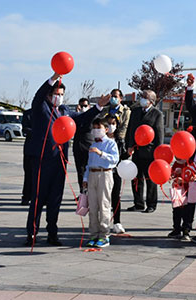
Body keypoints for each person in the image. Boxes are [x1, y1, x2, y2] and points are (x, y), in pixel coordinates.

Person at [24, 73, 107, 246]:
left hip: (59, 162)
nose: (59, 97)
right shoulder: (40, 107)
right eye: (56, 94)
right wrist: (54, 77)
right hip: (41, 161)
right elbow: (39, 94)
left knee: (55, 199)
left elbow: (82, 119)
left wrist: (98, 107)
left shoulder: (64, 111)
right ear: (49, 94)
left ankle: (52, 233)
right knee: (38, 198)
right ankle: (32, 233)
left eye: (61, 94)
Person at [82, 118, 120, 248]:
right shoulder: (93, 144)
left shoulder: (110, 143)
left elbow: (115, 159)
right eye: (94, 128)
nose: (96, 131)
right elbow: (88, 164)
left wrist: (101, 153)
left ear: (106, 129)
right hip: (92, 174)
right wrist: (85, 179)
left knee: (104, 205)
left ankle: (104, 235)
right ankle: (93, 234)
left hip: (105, 173)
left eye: (99, 128)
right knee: (92, 207)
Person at [125, 90, 164, 213]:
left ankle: (151, 204)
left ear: (151, 100)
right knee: (136, 178)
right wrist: (129, 145)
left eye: (145, 97)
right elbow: (131, 130)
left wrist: (158, 152)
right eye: (141, 96)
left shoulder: (157, 114)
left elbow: (159, 135)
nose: (142, 99)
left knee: (150, 179)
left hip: (150, 152)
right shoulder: (135, 112)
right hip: (136, 150)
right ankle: (138, 203)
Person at [104, 114, 127, 234]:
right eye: (108, 123)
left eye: (113, 124)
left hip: (116, 172)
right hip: (103, 173)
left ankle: (117, 222)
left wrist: (128, 153)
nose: (111, 126)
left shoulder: (119, 140)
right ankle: (104, 222)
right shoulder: (100, 139)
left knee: (115, 197)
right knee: (104, 199)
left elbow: (122, 156)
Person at [169, 157, 196, 241]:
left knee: (188, 211)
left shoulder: (191, 163)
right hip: (178, 190)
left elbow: (194, 176)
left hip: (189, 190)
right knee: (176, 209)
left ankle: (186, 230)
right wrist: (172, 177)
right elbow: (172, 172)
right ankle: (176, 229)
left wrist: (184, 180)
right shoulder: (177, 163)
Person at [20, 109, 32, 206]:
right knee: (29, 174)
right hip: (30, 149)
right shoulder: (28, 114)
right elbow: (25, 129)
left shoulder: (49, 113)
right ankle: (26, 196)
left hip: (45, 148)